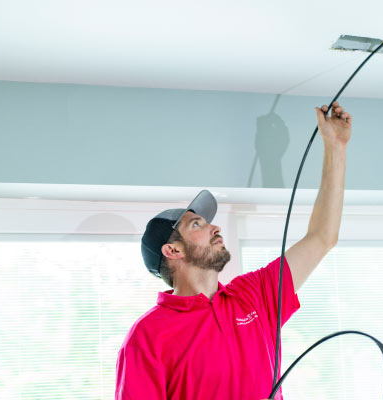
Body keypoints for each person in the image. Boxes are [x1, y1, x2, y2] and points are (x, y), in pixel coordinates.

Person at [115, 102, 352, 400]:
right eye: (197, 224)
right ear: (173, 250)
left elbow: (322, 237)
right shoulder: (147, 337)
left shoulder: (254, 294)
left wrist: (336, 147)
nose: (215, 228)